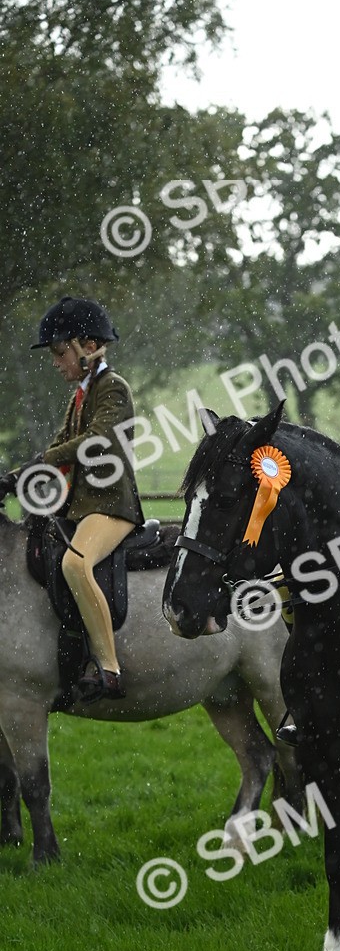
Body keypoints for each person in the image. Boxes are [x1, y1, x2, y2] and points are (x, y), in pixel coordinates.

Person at [2, 296, 144, 702]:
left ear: (88, 347)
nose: (56, 362)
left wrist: (43, 459)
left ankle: (109, 667)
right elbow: (61, 444)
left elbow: (96, 441)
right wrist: (12, 479)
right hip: (82, 507)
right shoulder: (80, 395)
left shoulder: (112, 388)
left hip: (112, 506)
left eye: (60, 353)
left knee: (76, 564)